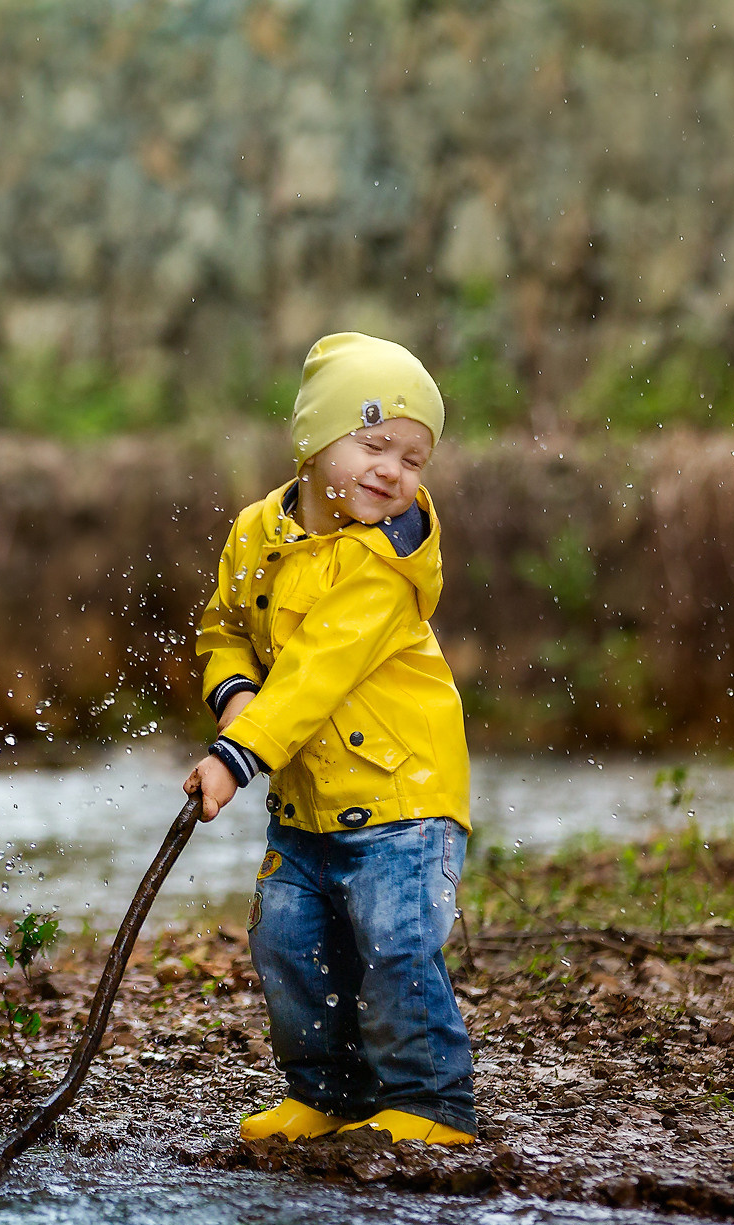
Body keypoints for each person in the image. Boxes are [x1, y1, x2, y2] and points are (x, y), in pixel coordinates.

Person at [185, 331, 476, 1145]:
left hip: (401, 795)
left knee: (394, 950)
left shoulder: (386, 559)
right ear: (315, 440)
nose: (394, 470)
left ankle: (430, 1102)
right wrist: (236, 695)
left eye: (415, 459)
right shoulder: (256, 532)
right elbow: (225, 629)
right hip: (306, 799)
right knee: (291, 949)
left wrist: (237, 757)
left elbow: (318, 670)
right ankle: (328, 1093)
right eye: (375, 443)